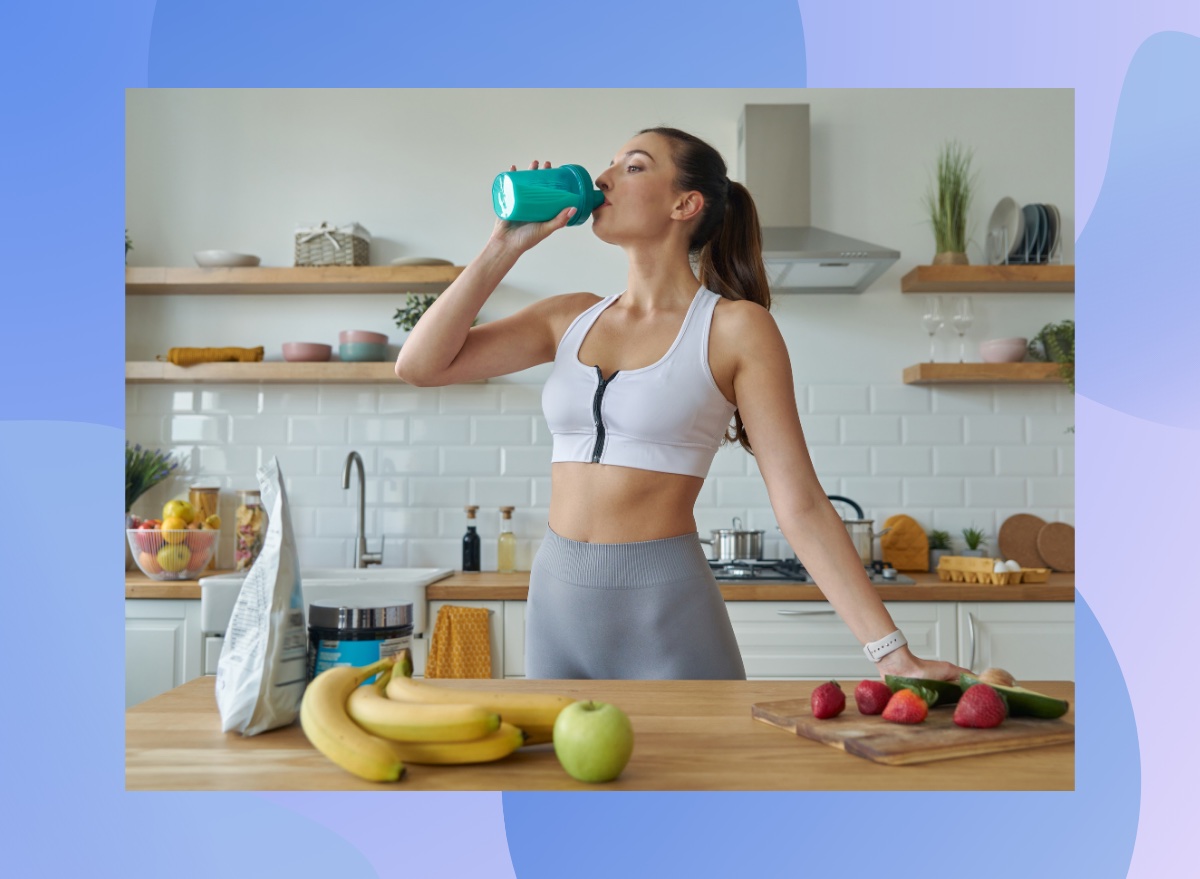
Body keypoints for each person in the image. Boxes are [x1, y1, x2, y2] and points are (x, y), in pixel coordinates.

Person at [396, 126, 969, 683]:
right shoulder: (567, 317)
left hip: (664, 609)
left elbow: (802, 505)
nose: (604, 177)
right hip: (555, 602)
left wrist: (891, 652)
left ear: (685, 203)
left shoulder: (736, 329)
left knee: (699, 781)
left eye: (634, 165)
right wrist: (506, 243)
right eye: (612, 163)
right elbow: (420, 366)